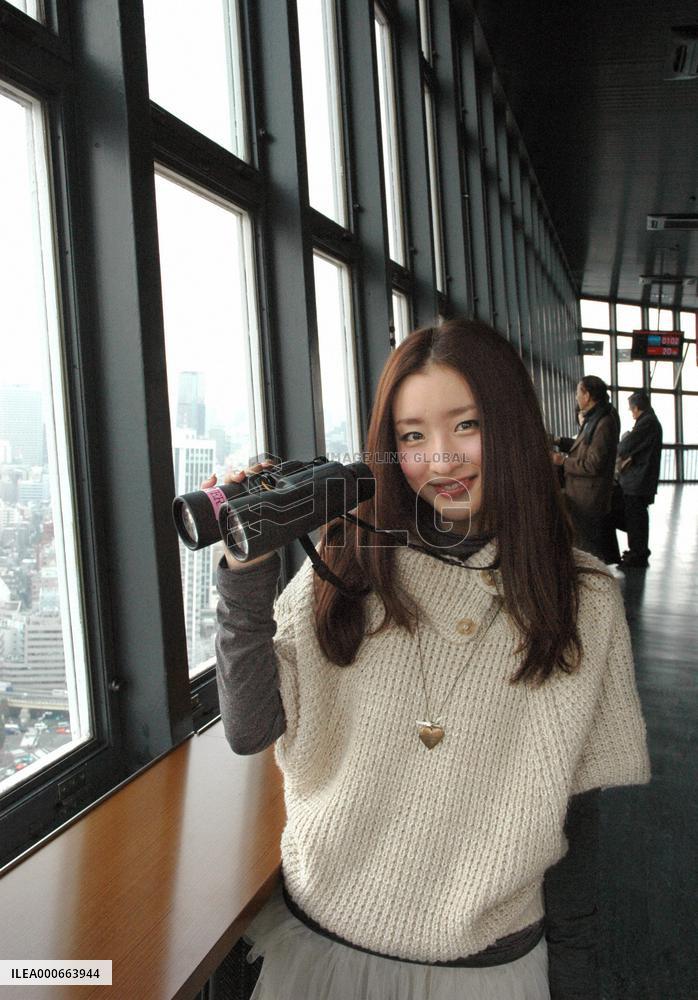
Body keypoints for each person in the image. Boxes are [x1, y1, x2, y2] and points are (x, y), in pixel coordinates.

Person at [206, 319, 650, 1000]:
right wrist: (244, 571)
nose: (440, 460)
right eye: (412, 436)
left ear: (514, 428)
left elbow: (574, 823)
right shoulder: (345, 561)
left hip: (488, 970)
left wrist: (577, 973)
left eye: (466, 425)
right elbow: (249, 728)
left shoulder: (582, 599)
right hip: (319, 950)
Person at [552, 377, 620, 563]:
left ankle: (593, 585)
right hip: (584, 494)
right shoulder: (595, 418)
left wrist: (562, 460)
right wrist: (558, 441)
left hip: (589, 497)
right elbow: (583, 447)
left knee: (588, 550)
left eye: (577, 392)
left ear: (587, 395)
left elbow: (593, 464)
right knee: (585, 544)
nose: (576, 397)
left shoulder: (603, 422)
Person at [615, 391, 663, 568]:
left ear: (636, 407)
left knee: (636, 518)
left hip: (638, 481)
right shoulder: (651, 422)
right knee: (637, 517)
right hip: (642, 480)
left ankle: (638, 553)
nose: (631, 413)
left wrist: (622, 443)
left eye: (631, 409)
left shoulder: (647, 423)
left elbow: (627, 445)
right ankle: (637, 550)